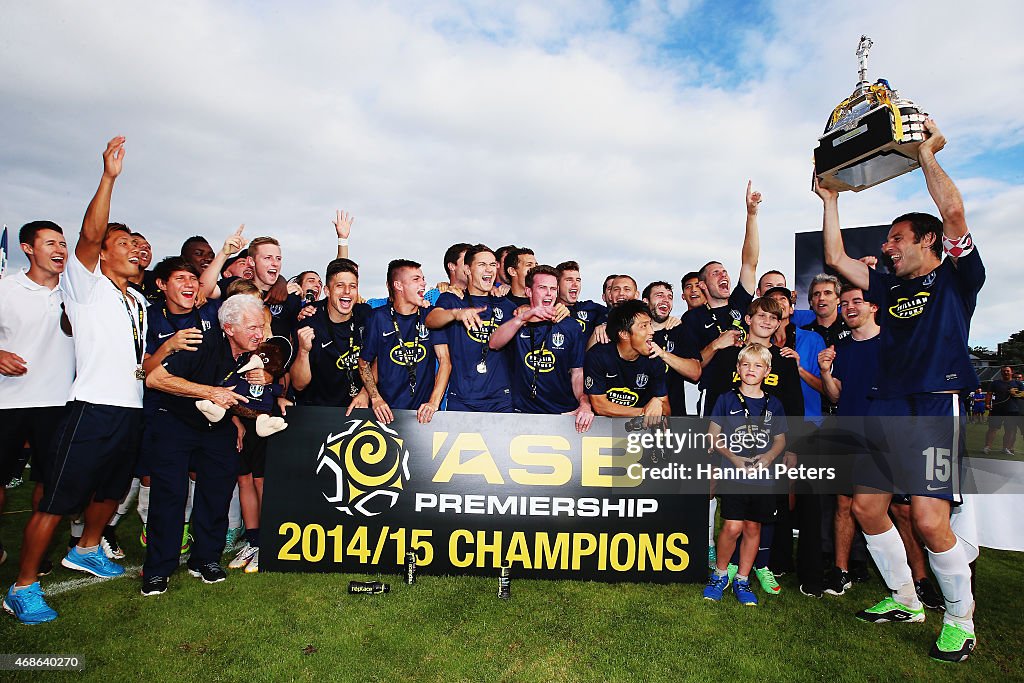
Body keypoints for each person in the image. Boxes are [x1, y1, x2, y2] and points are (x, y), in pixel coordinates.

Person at [817, 118, 984, 662]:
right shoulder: (887, 285)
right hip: (886, 405)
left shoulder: (957, 276)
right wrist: (830, 199)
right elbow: (838, 259)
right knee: (868, 508)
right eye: (887, 240)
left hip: (934, 403)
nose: (887, 248)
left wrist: (925, 153)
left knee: (931, 520)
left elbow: (954, 213)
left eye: (896, 239)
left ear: (927, 240)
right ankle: (905, 598)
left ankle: (961, 619)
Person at [4, 136, 146, 625]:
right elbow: (89, 234)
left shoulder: (137, 301)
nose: (133, 250)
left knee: (111, 491)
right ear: (101, 255)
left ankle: (87, 549)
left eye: (136, 244)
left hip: (129, 409)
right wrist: (108, 178)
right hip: (90, 407)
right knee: (60, 498)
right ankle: (22, 587)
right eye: (122, 244)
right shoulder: (85, 286)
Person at [140, 294, 267, 595]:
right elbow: (155, 378)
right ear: (229, 327)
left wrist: (244, 405)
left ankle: (206, 559)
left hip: (216, 427)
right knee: (170, 495)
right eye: (251, 327)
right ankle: (158, 569)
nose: (259, 334)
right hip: (174, 423)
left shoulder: (249, 357)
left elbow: (240, 401)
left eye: (261, 326)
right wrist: (210, 392)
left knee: (218, 491)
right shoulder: (200, 342)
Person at [0, 221, 75, 572]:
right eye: (50, 243)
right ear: (28, 248)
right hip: (8, 401)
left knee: (48, 483)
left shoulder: (74, 292)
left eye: (63, 243)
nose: (60, 249)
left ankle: (38, 551)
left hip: (58, 402)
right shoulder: (7, 288)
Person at [702, 343, 788, 606]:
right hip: (733, 475)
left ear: (767, 371)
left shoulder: (774, 404)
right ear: (738, 368)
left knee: (753, 527)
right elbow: (712, 437)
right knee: (732, 526)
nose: (751, 370)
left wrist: (769, 457)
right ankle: (719, 574)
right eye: (746, 365)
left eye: (758, 365)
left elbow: (781, 440)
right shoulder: (726, 400)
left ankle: (742, 578)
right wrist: (733, 458)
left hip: (763, 479)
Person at [682, 181, 761, 416]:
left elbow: (749, 261)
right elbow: (694, 368)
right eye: (716, 273)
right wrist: (717, 344)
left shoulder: (739, 302)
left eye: (724, 271)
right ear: (703, 285)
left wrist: (751, 215)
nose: (723, 274)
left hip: (750, 391)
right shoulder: (693, 319)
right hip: (715, 396)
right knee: (713, 451)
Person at [488, 265, 592, 432]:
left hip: (562, 413)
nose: (549, 293)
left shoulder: (571, 326)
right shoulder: (516, 321)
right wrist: (523, 317)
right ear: (529, 291)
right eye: (543, 288)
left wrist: (583, 402)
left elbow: (577, 372)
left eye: (553, 289)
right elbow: (493, 343)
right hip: (521, 414)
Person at [359, 259, 451, 424]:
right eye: (416, 279)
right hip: (387, 414)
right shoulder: (378, 317)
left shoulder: (431, 315)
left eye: (423, 278)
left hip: (423, 416)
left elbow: (445, 361)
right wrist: (375, 398)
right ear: (398, 285)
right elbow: (364, 362)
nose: (423, 283)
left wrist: (433, 403)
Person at [428, 245, 517, 412]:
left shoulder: (505, 305)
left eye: (492, 265)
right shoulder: (453, 300)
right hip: (462, 400)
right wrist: (456, 314)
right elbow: (432, 320)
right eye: (482, 264)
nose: (489, 269)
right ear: (468, 269)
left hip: (500, 402)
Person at [292, 258, 372, 408]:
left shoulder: (365, 315)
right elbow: (298, 385)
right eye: (340, 286)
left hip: (359, 407)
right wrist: (303, 351)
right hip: (321, 414)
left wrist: (365, 393)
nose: (347, 291)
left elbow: (378, 361)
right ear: (327, 291)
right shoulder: (309, 320)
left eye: (352, 286)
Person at [584, 300, 668, 423]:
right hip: (602, 429)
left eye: (650, 324)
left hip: (640, 432)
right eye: (644, 326)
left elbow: (666, 409)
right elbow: (600, 406)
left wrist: (659, 403)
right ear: (624, 334)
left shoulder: (654, 359)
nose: (651, 331)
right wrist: (644, 412)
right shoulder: (598, 356)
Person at [556, 260, 607, 337]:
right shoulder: (549, 311)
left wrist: (605, 324)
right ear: (557, 284)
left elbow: (614, 313)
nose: (575, 284)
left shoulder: (590, 308)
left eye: (578, 280)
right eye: (569, 280)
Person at [984, 366, 1021, 455]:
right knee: (992, 428)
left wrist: (1015, 393)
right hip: (997, 409)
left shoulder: (1017, 383)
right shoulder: (995, 383)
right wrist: (987, 404)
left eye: (1008, 371)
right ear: (1001, 373)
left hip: (1012, 410)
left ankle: (1006, 448)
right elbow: (989, 393)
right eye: (1004, 371)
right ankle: (987, 447)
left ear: (1011, 372)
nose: (1006, 372)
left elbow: (1023, 394)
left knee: (1010, 430)